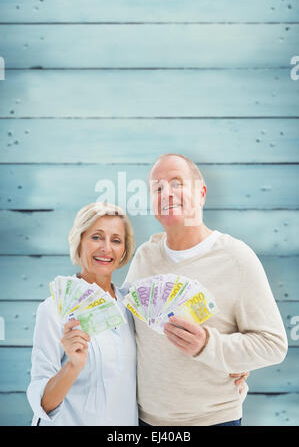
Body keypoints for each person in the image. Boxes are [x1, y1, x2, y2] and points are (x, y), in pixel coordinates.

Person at [124, 153, 288, 427]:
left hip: (213, 421)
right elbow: (124, 328)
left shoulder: (236, 258)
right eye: (157, 188)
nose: (167, 193)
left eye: (177, 183)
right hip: (145, 421)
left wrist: (209, 346)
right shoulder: (144, 256)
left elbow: (273, 345)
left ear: (201, 194)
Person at [27, 202, 138, 426]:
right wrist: (73, 365)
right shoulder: (54, 309)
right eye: (96, 237)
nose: (106, 248)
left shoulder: (133, 307)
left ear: (124, 250)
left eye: (116, 240)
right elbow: (43, 404)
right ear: (78, 243)